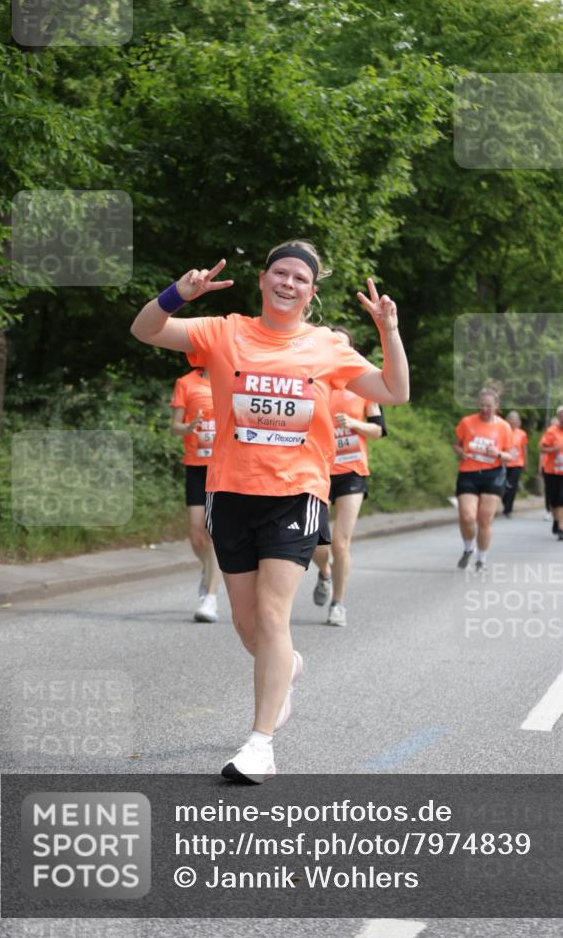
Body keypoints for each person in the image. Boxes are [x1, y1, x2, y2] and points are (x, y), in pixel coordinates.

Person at [130, 241, 409, 783]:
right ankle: (288, 668)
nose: (288, 283)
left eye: (300, 278)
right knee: (247, 623)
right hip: (230, 490)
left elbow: (395, 391)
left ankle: (260, 744)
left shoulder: (327, 346)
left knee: (274, 615)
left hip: (297, 492)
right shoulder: (224, 331)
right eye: (280, 273)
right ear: (262, 280)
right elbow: (145, 330)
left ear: (311, 292)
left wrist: (388, 328)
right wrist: (175, 296)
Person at [311, 327, 386, 627]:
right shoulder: (316, 383)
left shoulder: (364, 387)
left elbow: (379, 429)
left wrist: (355, 423)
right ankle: (325, 572)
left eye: (343, 345)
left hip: (353, 470)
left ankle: (338, 603)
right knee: (315, 543)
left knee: (341, 542)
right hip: (318, 470)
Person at [169, 366, 222, 621]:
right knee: (196, 535)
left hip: (223, 469)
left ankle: (210, 598)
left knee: (213, 534)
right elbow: (174, 427)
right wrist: (188, 427)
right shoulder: (186, 382)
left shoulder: (233, 377)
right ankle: (209, 569)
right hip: (195, 467)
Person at [453, 388, 514, 573]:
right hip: (469, 473)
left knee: (485, 519)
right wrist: (460, 452)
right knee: (467, 516)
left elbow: (511, 455)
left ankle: (481, 559)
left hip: (493, 475)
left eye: (489, 406)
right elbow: (456, 444)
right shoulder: (467, 422)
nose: (485, 409)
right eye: (481, 406)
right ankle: (468, 546)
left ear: (496, 406)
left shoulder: (504, 427)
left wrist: (498, 453)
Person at [539, 406, 563, 542]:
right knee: (553, 501)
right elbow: (542, 448)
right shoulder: (551, 431)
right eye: (561, 416)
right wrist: (552, 449)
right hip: (552, 471)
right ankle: (556, 520)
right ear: (558, 418)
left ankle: (562, 529)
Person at [502, 411, 528, 518]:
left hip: (517, 463)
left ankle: (508, 509)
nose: (513, 421)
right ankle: (505, 502)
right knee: (503, 486)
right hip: (504, 463)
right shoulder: (503, 431)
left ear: (518, 421)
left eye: (515, 419)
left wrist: (525, 462)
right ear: (507, 420)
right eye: (511, 418)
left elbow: (524, 448)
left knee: (512, 487)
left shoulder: (522, 433)